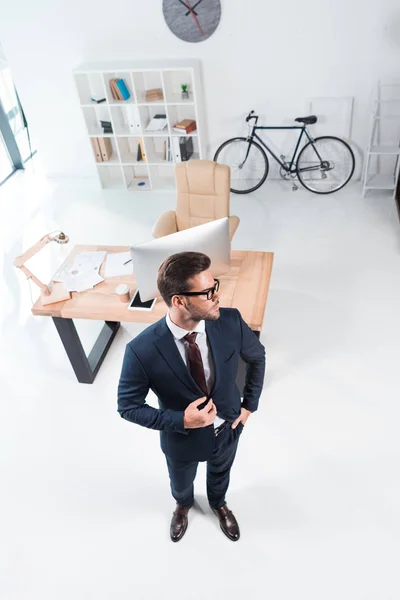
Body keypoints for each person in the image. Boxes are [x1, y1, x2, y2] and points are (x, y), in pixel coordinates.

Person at [118, 251, 266, 542]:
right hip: (181, 440)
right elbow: (127, 406)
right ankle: (183, 506)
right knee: (181, 483)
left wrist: (249, 406)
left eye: (216, 286)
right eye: (207, 292)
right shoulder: (141, 350)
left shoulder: (230, 320)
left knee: (221, 473)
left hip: (229, 427)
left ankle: (218, 503)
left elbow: (257, 357)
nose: (216, 296)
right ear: (179, 300)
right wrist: (180, 420)